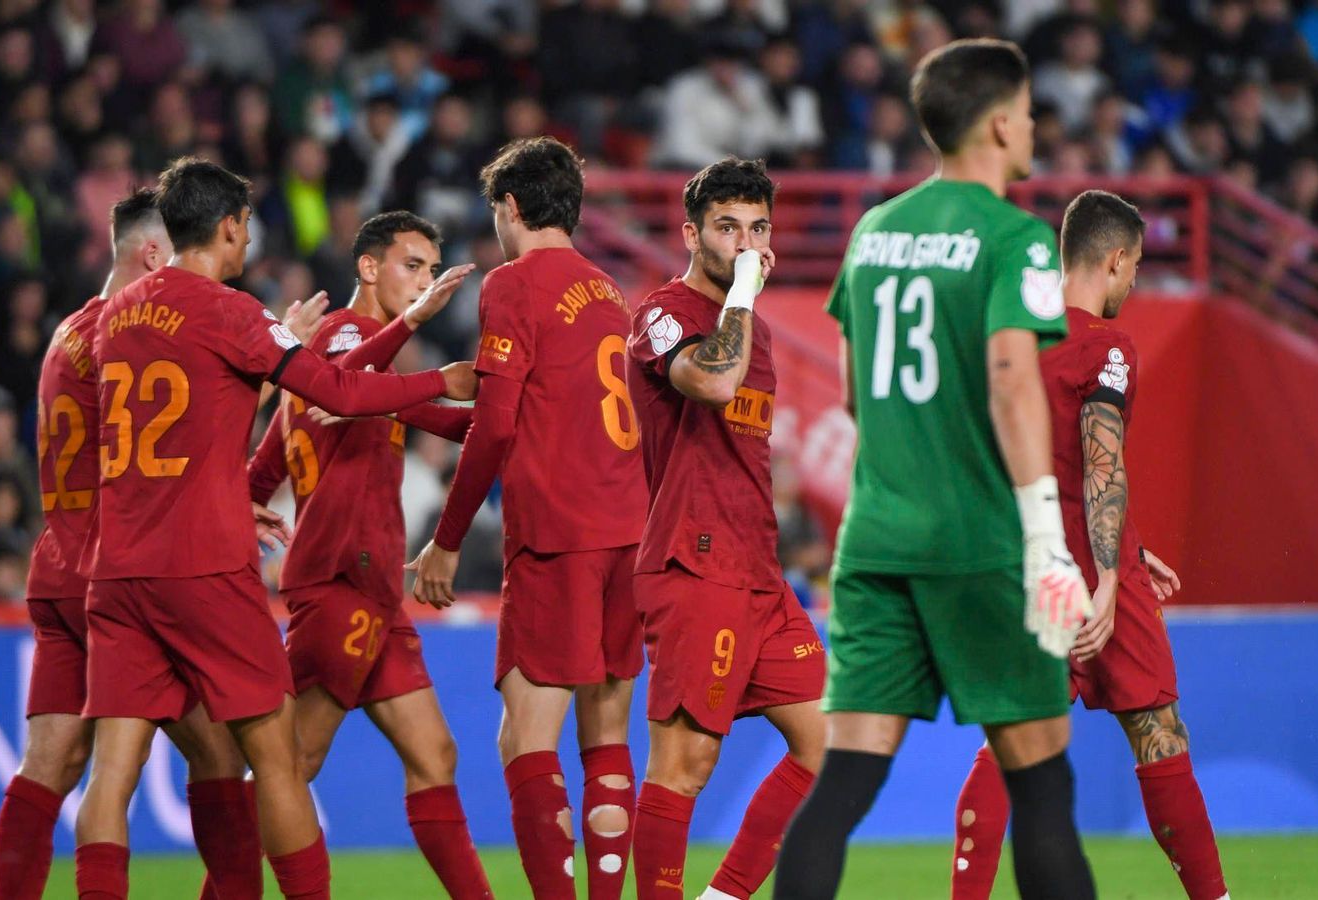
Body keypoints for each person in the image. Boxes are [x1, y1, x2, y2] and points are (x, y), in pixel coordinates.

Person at [72, 157, 477, 900]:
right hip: (206, 570)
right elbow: (335, 391)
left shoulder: (115, 317)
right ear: (230, 227)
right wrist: (437, 378)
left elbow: (172, 430)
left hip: (118, 570)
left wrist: (231, 484)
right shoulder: (234, 312)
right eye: (247, 225)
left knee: (113, 775)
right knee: (281, 759)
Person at [771, 38, 1096, 900]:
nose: (1033, 128)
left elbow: (848, 388)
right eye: (1027, 114)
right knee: (1041, 784)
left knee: (843, 783)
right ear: (998, 122)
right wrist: (1045, 538)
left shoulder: (875, 230)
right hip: (980, 544)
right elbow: (1011, 382)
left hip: (875, 542)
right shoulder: (1016, 239)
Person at [948, 190, 1229, 900]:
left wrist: (1128, 546)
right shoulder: (1104, 345)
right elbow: (1101, 461)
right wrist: (1108, 576)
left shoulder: (1009, 335)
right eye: (1133, 269)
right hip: (1088, 573)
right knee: (1159, 731)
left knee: (1011, 744)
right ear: (1115, 259)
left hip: (1021, 566)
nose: (1133, 284)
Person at [0, 189, 262, 899]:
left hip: (56, 572)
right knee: (220, 755)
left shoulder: (68, 334)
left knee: (48, 763)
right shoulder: (130, 339)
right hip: (117, 578)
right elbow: (161, 444)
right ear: (151, 254)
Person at [406, 136, 648, 900]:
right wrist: (416, 403)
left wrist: (445, 543)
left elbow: (500, 424)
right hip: (627, 530)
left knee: (524, 739)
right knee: (606, 739)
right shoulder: (610, 293)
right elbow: (533, 415)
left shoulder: (514, 285)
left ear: (510, 208)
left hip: (557, 535)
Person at [246, 210, 492, 899]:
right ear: (368, 267)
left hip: (373, 589)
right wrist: (427, 348)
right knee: (291, 765)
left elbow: (268, 462)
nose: (424, 282)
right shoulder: (348, 337)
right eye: (412, 266)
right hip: (341, 581)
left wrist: (513, 410)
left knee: (433, 755)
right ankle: (226, 885)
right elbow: (357, 388)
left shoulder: (343, 364)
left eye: (429, 269)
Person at [623, 157, 826, 900]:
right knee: (684, 766)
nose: (746, 242)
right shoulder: (662, 312)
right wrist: (741, 290)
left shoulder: (756, 332)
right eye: (728, 228)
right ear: (690, 233)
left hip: (759, 572)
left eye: (758, 228)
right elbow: (710, 381)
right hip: (692, 562)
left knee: (827, 744)